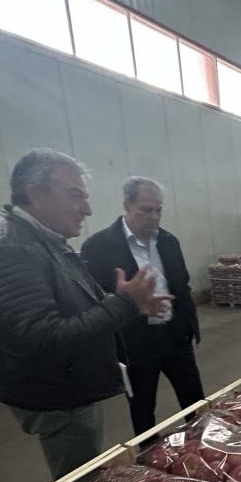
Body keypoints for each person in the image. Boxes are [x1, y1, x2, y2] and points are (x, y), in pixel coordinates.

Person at [0, 148, 169, 480]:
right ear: (35, 193)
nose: (87, 209)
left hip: (69, 383)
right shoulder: (12, 250)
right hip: (58, 394)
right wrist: (124, 303)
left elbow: (68, 300)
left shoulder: (42, 240)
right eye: (75, 195)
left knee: (86, 472)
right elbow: (43, 337)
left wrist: (127, 301)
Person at [81, 177, 204, 437]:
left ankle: (203, 447)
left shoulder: (168, 241)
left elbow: (182, 285)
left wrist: (189, 326)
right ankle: (148, 454)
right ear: (127, 205)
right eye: (146, 210)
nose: (154, 217)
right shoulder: (98, 247)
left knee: (195, 400)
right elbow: (94, 299)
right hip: (135, 343)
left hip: (175, 335)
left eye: (159, 210)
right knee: (142, 407)